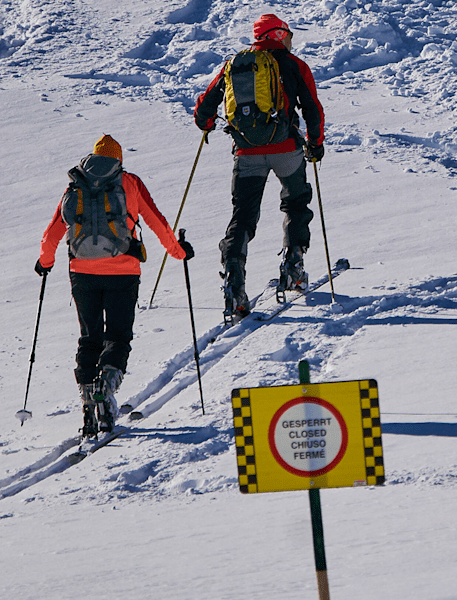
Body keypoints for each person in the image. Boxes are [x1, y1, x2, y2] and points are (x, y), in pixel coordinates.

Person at [35, 135, 193, 435]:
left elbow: (54, 230)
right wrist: (179, 251)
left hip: (81, 272)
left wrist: (45, 262)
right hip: (123, 272)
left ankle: (87, 401)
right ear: (118, 160)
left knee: (89, 338)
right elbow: (156, 220)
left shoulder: (76, 185)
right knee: (118, 336)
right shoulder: (129, 182)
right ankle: (106, 388)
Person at [193, 13, 325, 320]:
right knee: (295, 204)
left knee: (243, 217)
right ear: (278, 35)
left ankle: (234, 281)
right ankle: (293, 267)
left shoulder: (234, 64)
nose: (291, 39)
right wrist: (315, 143)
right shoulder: (295, 65)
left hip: (247, 152)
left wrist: (207, 123)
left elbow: (204, 107)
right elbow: (312, 108)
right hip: (286, 149)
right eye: (288, 34)